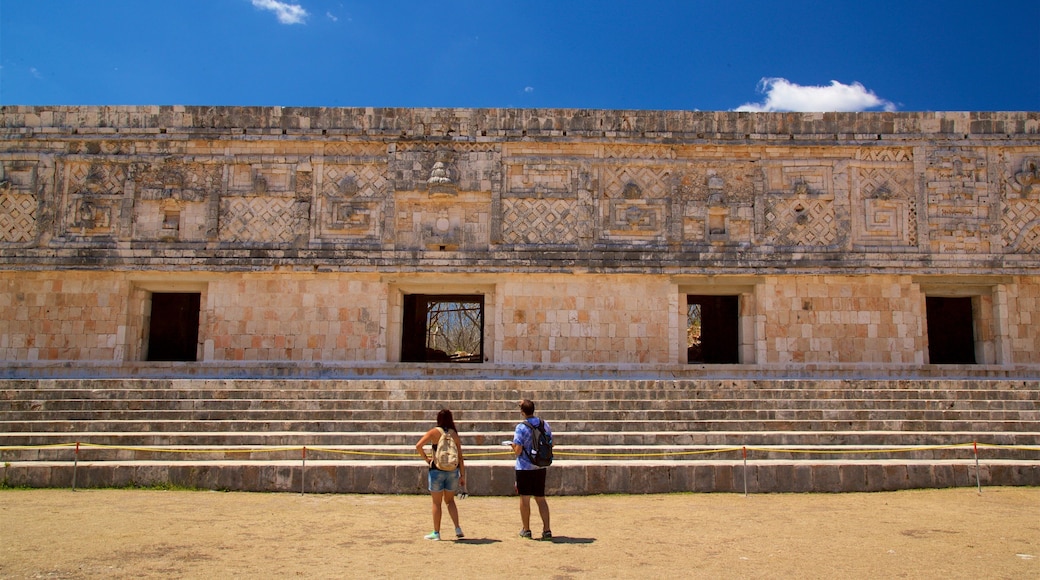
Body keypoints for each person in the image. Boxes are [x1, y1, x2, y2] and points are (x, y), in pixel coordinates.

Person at [415, 408, 465, 541]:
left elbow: (418, 445)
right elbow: (460, 456)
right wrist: (462, 475)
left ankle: (436, 532)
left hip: (437, 470)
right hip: (453, 471)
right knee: (450, 501)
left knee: (436, 503)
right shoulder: (454, 434)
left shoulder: (434, 432)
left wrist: (427, 459)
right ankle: (457, 528)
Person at [510, 399, 552, 540]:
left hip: (524, 467)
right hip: (540, 466)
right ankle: (547, 530)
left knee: (525, 499)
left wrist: (512, 446)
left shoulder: (520, 428)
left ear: (522, 412)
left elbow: (518, 450)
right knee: (541, 499)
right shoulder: (544, 424)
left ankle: (526, 529)